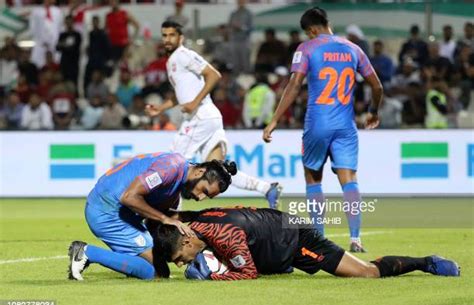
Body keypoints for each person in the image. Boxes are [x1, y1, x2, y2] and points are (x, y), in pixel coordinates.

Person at [262, 7, 383, 252]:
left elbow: (295, 85)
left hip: (317, 123)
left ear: (312, 30)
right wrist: (373, 111)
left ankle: (319, 240)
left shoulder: (307, 49)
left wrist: (275, 119)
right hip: (345, 126)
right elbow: (377, 86)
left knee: (313, 179)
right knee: (349, 180)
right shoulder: (354, 49)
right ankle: (356, 239)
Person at [146, 21, 282, 208]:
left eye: (171, 35)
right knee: (218, 169)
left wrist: (195, 102)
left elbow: (214, 75)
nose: (167, 39)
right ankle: (267, 188)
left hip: (200, 116)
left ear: (181, 37)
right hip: (209, 116)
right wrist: (161, 108)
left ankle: (168, 219)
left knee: (175, 164)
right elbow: (182, 95)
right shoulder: (171, 62)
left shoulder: (184, 55)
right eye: (164, 35)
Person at [154, 207, 460, 281]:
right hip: (274, 226)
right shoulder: (195, 222)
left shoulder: (223, 235)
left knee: (365, 273)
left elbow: (247, 273)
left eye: (180, 256)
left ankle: (425, 262)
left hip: (295, 237)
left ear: (187, 238)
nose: (181, 264)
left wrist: (213, 277)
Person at [67, 156, 237, 281]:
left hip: (121, 215)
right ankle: (87, 252)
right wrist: (165, 219)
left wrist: (206, 214)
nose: (200, 198)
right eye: (204, 191)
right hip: (105, 211)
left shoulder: (175, 187)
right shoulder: (170, 168)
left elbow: (156, 216)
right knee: (158, 273)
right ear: (200, 172)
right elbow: (129, 197)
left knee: (159, 272)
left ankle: (130, 266)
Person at [29, 0, 63, 68]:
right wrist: (40, 40)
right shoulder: (36, 11)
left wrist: (56, 40)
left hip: (54, 42)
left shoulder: (57, 11)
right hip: (40, 42)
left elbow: (60, 26)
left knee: (56, 61)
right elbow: (33, 27)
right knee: (37, 62)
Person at [56, 15, 82, 88]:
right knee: (63, 82)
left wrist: (64, 45)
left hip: (73, 63)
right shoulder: (62, 35)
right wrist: (67, 46)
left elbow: (74, 47)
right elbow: (57, 47)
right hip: (64, 63)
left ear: (73, 23)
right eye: (67, 22)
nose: (69, 24)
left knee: (73, 83)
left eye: (70, 22)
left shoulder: (77, 35)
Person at [228, 0, 253, 74]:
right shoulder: (233, 14)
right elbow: (229, 25)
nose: (240, 2)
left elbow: (251, 27)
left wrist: (241, 28)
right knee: (235, 59)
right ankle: (235, 75)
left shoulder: (249, 14)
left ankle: (247, 74)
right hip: (234, 39)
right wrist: (233, 27)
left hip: (244, 40)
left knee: (245, 59)